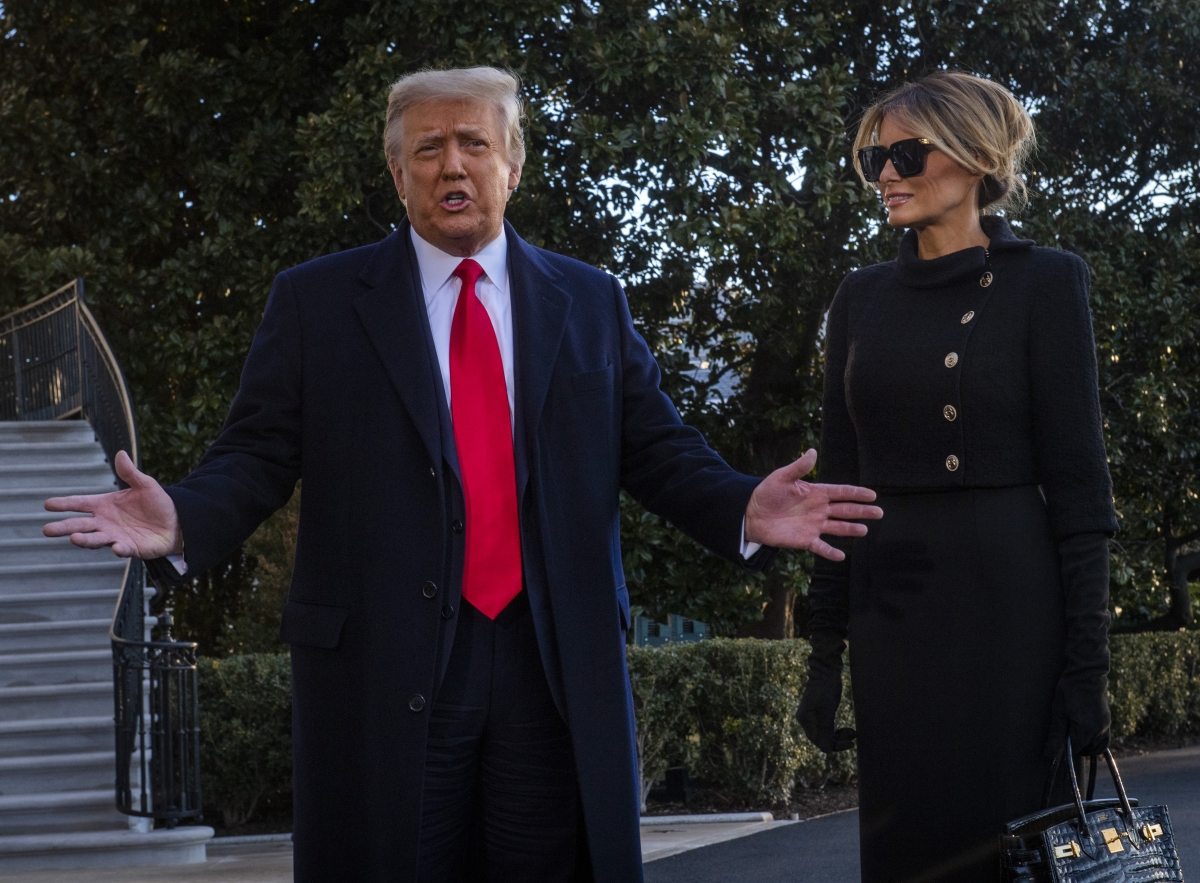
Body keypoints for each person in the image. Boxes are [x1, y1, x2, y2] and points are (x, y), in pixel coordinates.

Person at [44, 67, 883, 883]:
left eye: (474, 143)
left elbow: (658, 449)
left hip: (550, 662)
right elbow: (256, 454)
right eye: (428, 147)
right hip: (385, 661)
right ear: (397, 174)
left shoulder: (588, 299)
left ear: (511, 166)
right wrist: (184, 517)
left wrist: (743, 504)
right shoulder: (318, 301)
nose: (452, 163)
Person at [796, 70, 1118, 882]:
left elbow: (1081, 496)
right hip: (891, 609)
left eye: (908, 152)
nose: (887, 174)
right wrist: (825, 651)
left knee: (1011, 846)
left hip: (1008, 607)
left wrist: (1087, 670)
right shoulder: (861, 296)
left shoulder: (1045, 281)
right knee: (908, 845)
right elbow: (836, 484)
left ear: (976, 158)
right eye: (874, 157)